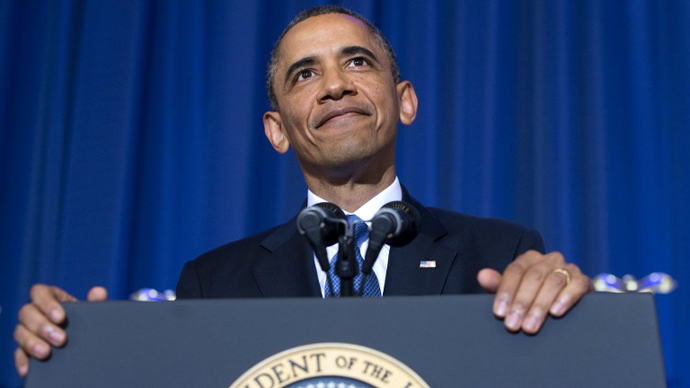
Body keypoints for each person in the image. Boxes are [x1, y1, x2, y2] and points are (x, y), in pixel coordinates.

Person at [13, 5, 592, 378]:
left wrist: (576, 322)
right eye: (305, 74)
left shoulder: (501, 254)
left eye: (357, 62)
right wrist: (78, 355)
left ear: (405, 101)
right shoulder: (213, 283)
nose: (336, 85)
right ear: (277, 131)